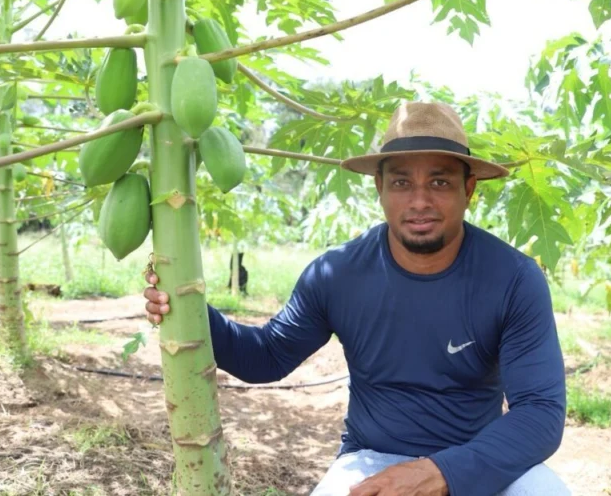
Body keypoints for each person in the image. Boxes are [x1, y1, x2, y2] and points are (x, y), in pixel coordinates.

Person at [143, 102, 570, 496]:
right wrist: (187, 308)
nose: (420, 201)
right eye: (402, 182)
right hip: (371, 460)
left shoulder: (513, 279)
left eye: (439, 181)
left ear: (469, 188)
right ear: (379, 188)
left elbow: (540, 414)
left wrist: (437, 473)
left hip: (480, 461)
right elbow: (265, 358)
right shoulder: (337, 274)